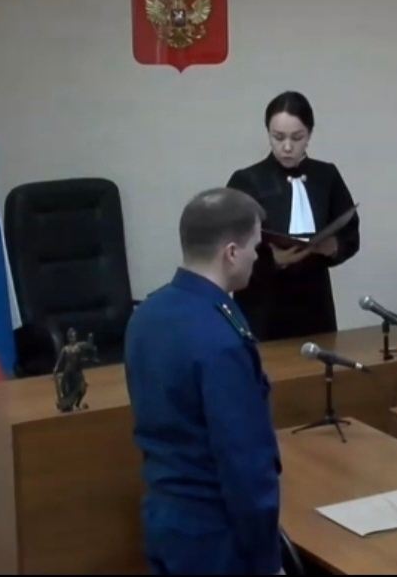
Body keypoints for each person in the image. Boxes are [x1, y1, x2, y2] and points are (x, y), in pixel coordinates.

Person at [124, 187, 284, 576]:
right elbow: (243, 460)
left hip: (163, 517)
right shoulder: (221, 336)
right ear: (231, 253)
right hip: (215, 536)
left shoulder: (148, 314)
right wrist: (268, 559)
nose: (257, 256)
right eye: (255, 246)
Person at [226, 90, 361, 342]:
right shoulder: (247, 180)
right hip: (263, 305)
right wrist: (271, 260)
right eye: (278, 137)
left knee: (318, 361)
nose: (287, 147)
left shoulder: (327, 176)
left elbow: (349, 230)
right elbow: (229, 245)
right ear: (268, 133)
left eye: (297, 137)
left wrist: (333, 247)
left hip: (315, 302)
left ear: (309, 134)